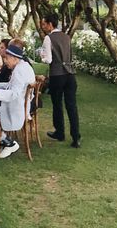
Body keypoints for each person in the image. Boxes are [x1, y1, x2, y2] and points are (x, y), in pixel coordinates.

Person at [0, 43, 35, 159]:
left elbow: (14, 93)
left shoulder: (19, 71)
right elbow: (10, 85)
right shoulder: (23, 66)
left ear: (15, 58)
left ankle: (8, 142)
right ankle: (2, 141)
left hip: (15, 108)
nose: (5, 61)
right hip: (18, 105)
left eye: (7, 58)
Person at [40, 12, 81, 148]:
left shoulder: (48, 38)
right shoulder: (66, 37)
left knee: (57, 105)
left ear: (50, 24)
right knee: (72, 106)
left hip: (57, 75)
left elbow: (49, 60)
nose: (43, 26)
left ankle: (60, 132)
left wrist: (42, 56)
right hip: (70, 75)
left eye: (44, 24)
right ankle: (76, 138)